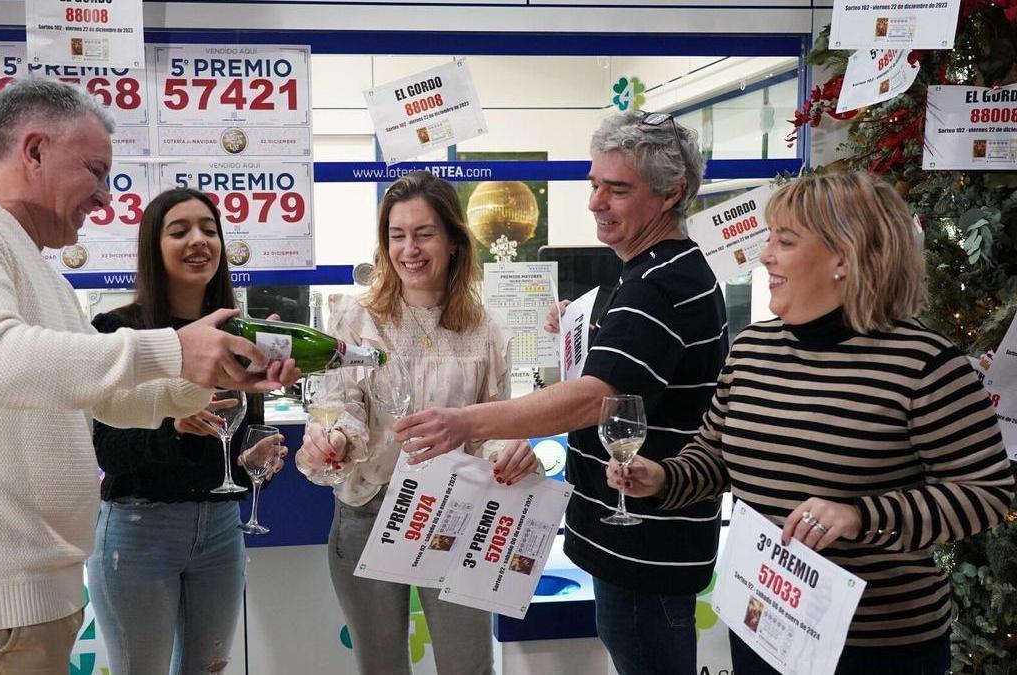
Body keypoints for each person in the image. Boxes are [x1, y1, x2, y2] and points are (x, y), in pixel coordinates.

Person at [0, 79, 300, 675]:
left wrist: (210, 373)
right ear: (36, 150)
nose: (104, 196)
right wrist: (171, 348)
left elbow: (107, 399)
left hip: (28, 596)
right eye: (95, 171)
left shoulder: (38, 270)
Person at [609, 172, 1017, 674]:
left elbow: (987, 493)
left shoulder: (924, 363)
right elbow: (714, 456)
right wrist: (664, 478)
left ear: (843, 258)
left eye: (785, 240)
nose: (765, 255)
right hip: (764, 622)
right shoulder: (752, 350)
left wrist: (860, 515)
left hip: (876, 646)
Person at [394, 111, 728, 674]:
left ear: (674, 193)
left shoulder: (659, 284)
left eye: (617, 189)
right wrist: (581, 322)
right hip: (636, 538)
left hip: (647, 544)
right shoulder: (648, 271)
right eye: (594, 184)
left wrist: (467, 422)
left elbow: (597, 398)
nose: (596, 202)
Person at [295, 170, 538, 675]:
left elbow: (493, 424)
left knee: (467, 665)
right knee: (380, 666)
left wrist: (511, 450)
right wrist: (334, 437)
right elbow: (340, 402)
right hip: (366, 511)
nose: (410, 249)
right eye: (397, 235)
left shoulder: (486, 330)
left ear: (452, 240)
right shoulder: (354, 319)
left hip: (454, 514)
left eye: (424, 233)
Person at [86, 188, 289, 675]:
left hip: (221, 531)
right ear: (153, 248)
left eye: (209, 229)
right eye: (179, 231)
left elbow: (236, 440)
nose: (198, 241)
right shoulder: (118, 331)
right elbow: (106, 449)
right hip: (138, 531)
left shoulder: (242, 336)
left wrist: (254, 464)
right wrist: (172, 427)